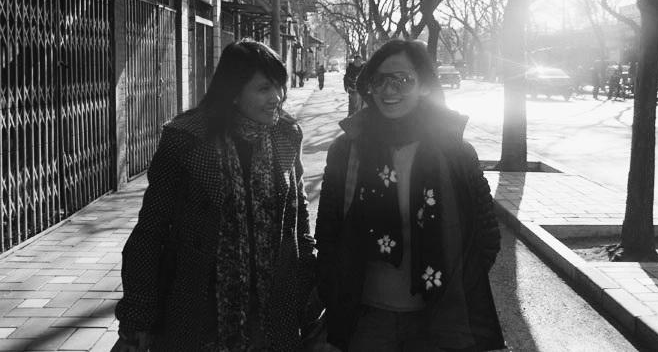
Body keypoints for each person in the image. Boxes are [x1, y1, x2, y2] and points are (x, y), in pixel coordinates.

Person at [113, 40, 316, 352]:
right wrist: (137, 316)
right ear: (233, 91)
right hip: (200, 310)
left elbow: (298, 215)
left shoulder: (285, 134)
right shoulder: (185, 140)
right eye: (264, 88)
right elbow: (151, 232)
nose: (277, 97)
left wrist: (308, 287)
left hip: (273, 312)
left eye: (279, 85)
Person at [316, 39, 504, 352]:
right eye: (379, 80)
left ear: (425, 86)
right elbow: (328, 234)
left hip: (438, 320)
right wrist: (335, 296)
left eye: (402, 80)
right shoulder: (347, 150)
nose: (388, 90)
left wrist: (457, 287)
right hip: (364, 320)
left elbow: (485, 235)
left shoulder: (455, 153)